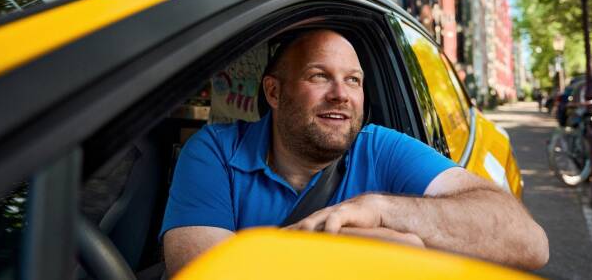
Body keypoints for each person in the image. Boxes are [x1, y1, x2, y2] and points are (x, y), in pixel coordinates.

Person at [162, 30, 549, 276]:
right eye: (319, 76)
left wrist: (381, 210)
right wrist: (387, 244)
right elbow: (199, 272)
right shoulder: (214, 150)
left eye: (353, 80)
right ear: (274, 92)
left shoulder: (383, 148)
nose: (341, 94)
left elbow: (531, 243)